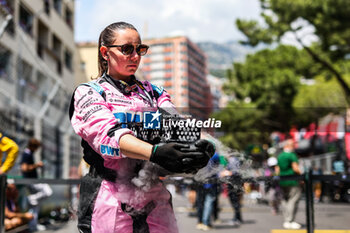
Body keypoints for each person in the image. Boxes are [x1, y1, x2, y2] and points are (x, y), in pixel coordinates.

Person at [69, 21, 214, 233]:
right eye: (127, 49)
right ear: (105, 52)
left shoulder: (155, 92)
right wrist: (154, 152)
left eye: (140, 49)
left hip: (153, 194)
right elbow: (108, 136)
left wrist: (199, 144)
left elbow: (175, 123)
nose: (135, 56)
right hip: (107, 195)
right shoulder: (89, 92)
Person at [20, 138, 53, 232]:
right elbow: (24, 168)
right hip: (31, 181)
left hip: (32, 181)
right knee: (47, 191)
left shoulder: (29, 153)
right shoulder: (26, 154)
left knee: (35, 206)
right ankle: (32, 198)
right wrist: (37, 165)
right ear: (33, 146)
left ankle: (33, 226)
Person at [275, 139, 302, 229]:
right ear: (289, 146)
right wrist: (302, 175)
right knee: (293, 200)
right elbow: (295, 168)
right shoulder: (292, 155)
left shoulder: (280, 156)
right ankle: (290, 220)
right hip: (292, 180)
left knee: (284, 201)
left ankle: (286, 220)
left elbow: (277, 170)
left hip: (282, 180)